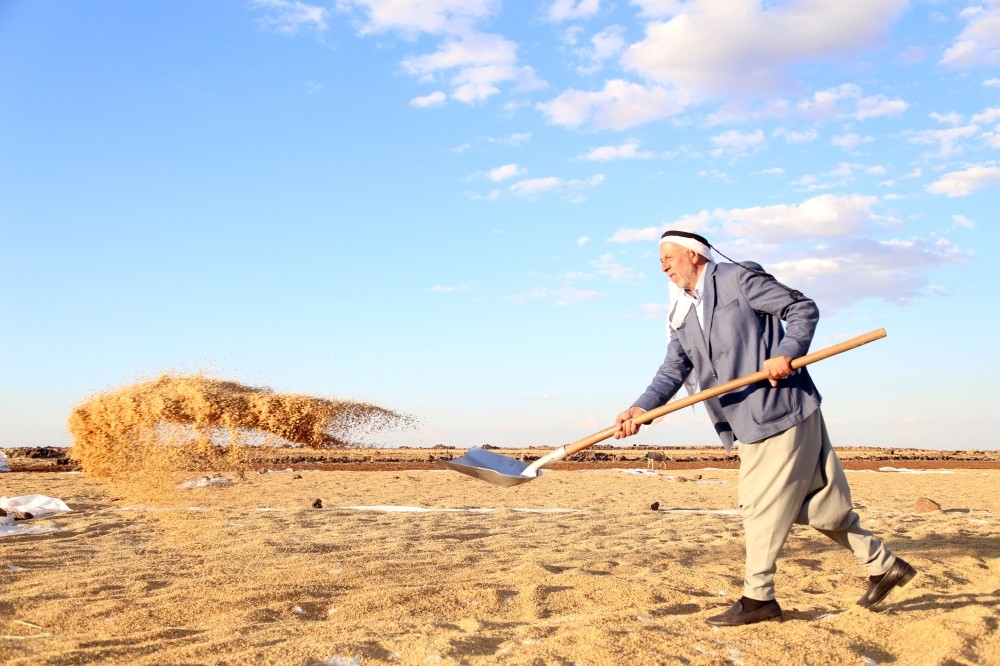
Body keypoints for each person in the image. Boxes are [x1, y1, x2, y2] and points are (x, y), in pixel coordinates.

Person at [613, 230, 916, 627]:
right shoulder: (681, 314)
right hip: (750, 421)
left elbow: (802, 309)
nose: (663, 266)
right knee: (820, 508)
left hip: (778, 408)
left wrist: (786, 353)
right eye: (660, 260)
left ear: (693, 254)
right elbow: (674, 368)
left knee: (757, 506)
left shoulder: (738, 279)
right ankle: (884, 565)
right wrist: (642, 407)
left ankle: (758, 599)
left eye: (668, 257)